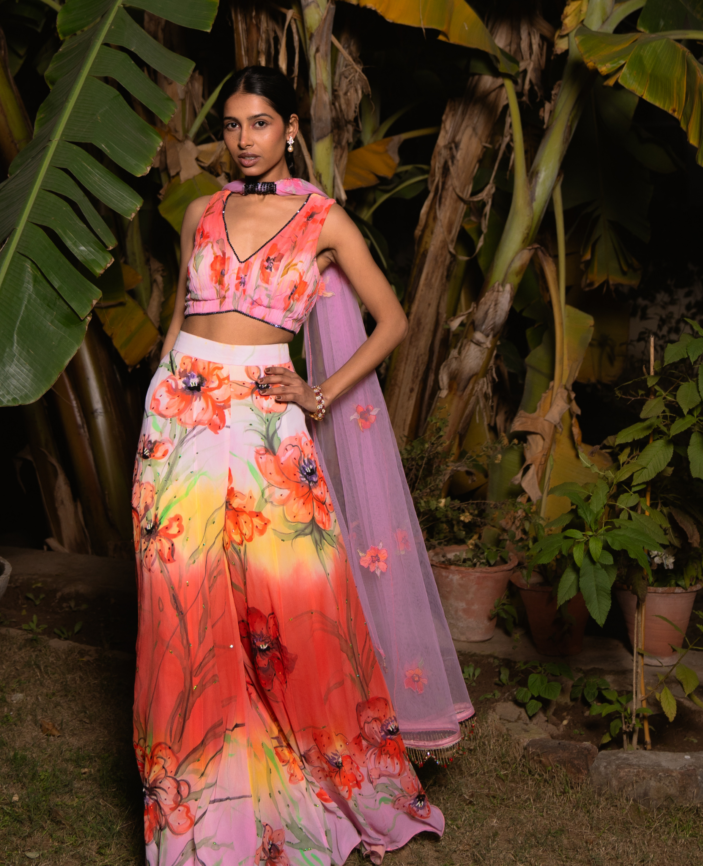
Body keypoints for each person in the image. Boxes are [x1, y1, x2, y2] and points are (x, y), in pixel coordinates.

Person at [132, 66, 472, 866]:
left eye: (259, 124)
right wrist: (158, 401)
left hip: (267, 421)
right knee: (181, 608)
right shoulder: (201, 213)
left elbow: (391, 320)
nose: (243, 140)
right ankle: (197, 809)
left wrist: (319, 394)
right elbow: (180, 317)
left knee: (295, 605)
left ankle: (324, 781)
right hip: (179, 418)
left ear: (288, 127)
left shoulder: (323, 219)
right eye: (231, 125)